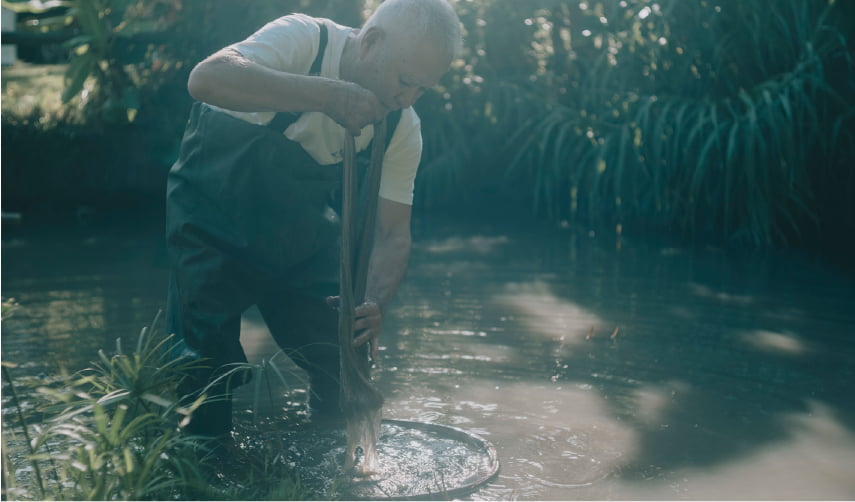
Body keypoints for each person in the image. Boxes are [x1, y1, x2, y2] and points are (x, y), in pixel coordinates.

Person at [165, 0, 463, 439]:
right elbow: (205, 79)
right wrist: (328, 96)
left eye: (422, 89)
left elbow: (392, 234)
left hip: (299, 237)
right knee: (205, 368)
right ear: (372, 42)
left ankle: (330, 465)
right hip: (211, 222)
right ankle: (205, 471)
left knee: (345, 357)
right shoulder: (305, 38)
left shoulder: (402, 127)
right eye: (404, 81)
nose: (407, 98)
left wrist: (374, 303)